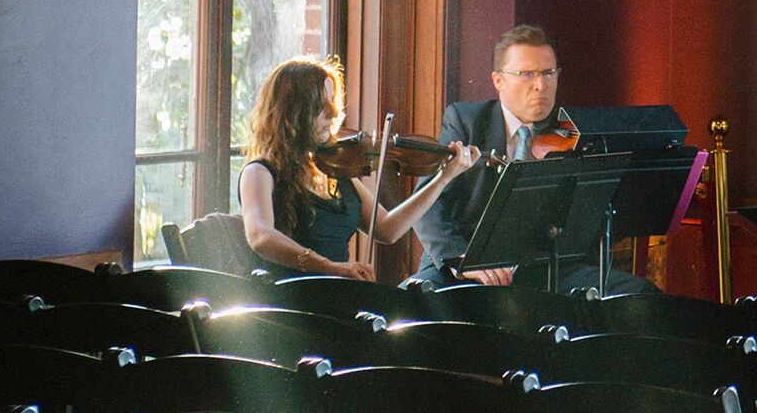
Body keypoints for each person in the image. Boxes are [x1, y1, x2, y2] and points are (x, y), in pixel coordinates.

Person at [239, 57, 479, 277]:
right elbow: (261, 237)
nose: (333, 114)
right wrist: (329, 267)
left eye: (333, 102)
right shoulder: (259, 172)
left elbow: (387, 229)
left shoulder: (333, 168)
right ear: (291, 112)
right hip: (287, 300)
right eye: (320, 106)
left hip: (336, 294)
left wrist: (443, 179)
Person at [415, 22, 577, 285]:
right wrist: (463, 260)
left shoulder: (569, 131)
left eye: (549, 73)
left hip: (537, 271)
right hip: (464, 265)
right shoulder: (466, 121)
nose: (541, 85)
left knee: (634, 291)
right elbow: (427, 204)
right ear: (498, 80)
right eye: (527, 74)